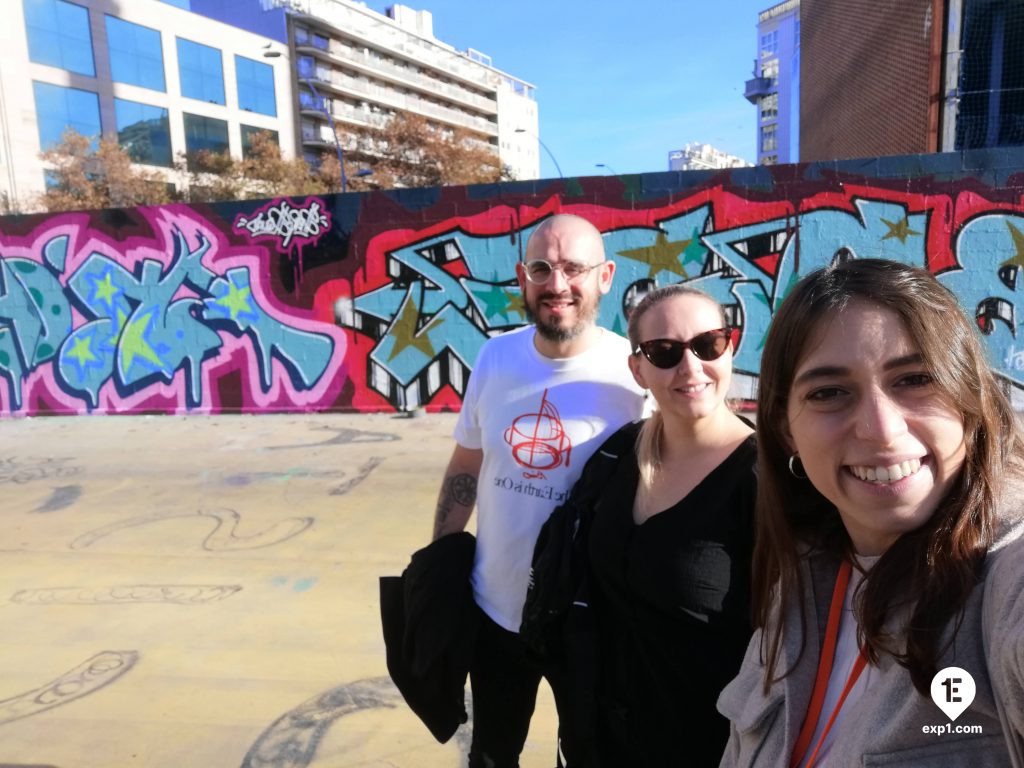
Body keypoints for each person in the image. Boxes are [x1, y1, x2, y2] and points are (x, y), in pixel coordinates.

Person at [718, 258, 1024, 766]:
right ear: (785, 427)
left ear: (968, 397)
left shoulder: (1005, 573)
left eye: (915, 379)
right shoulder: (800, 582)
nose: (881, 429)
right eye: (829, 393)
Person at [432, 213, 647, 768]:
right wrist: (439, 566)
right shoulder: (495, 358)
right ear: (523, 278)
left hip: (589, 618)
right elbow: (466, 462)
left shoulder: (634, 376)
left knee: (586, 756)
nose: (557, 284)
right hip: (497, 611)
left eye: (574, 268)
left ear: (605, 277)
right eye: (542, 268)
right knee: (492, 753)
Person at [560, 284, 756, 765]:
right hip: (596, 741)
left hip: (707, 748)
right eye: (664, 352)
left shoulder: (767, 480)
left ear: (730, 346)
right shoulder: (616, 455)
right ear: (639, 369)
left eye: (708, 345)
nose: (690, 368)